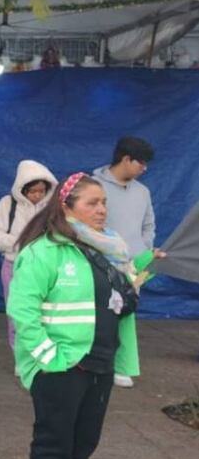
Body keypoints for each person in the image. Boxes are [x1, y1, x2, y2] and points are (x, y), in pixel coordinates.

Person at [8, 173, 159, 459]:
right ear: (67, 207)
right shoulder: (43, 251)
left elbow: (119, 298)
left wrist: (144, 268)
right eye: (92, 203)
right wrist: (49, 358)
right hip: (61, 367)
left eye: (103, 202)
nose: (102, 209)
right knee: (54, 442)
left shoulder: (107, 249)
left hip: (100, 363)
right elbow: (22, 310)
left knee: (84, 442)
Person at [91, 136, 155, 389]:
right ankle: (94, 362)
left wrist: (142, 249)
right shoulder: (94, 186)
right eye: (141, 163)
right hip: (100, 261)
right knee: (98, 314)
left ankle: (122, 367)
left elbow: (149, 225)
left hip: (133, 265)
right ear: (126, 159)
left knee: (126, 314)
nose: (144, 168)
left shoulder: (143, 192)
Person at [0, 161, 57, 351]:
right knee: (17, 313)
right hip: (14, 267)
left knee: (45, 313)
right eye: (33, 191)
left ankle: (43, 353)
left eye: (42, 191)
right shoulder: (7, 204)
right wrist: (21, 243)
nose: (38, 195)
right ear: (22, 188)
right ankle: (20, 354)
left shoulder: (52, 207)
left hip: (45, 269)